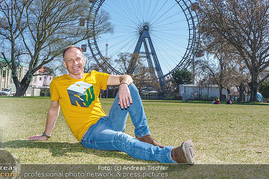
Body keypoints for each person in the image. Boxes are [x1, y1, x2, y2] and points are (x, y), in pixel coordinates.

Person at [28, 45, 194, 164]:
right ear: (65, 64)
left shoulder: (94, 76)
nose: (74, 63)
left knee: (130, 85)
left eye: (77, 58)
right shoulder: (58, 83)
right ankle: (171, 155)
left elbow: (127, 77)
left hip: (107, 122)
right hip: (89, 134)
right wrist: (46, 134)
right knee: (121, 139)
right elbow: (54, 108)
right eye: (69, 60)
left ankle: (143, 135)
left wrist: (122, 85)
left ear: (83, 60)